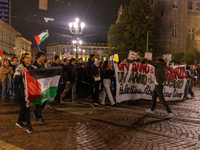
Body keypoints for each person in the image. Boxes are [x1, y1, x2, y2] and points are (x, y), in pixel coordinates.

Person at [14, 53, 34, 133]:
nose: (29, 59)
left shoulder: (31, 67)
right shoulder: (20, 67)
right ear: (23, 59)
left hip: (28, 91)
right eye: (27, 58)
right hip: (21, 92)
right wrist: (22, 74)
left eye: (29, 58)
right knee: (26, 108)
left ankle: (19, 121)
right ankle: (29, 127)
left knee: (24, 108)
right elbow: (15, 80)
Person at [31, 51, 46, 125]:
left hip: (43, 85)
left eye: (44, 57)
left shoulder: (44, 65)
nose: (44, 58)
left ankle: (35, 112)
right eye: (42, 56)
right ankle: (39, 117)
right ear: (38, 57)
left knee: (44, 100)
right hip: (36, 86)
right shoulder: (33, 66)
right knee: (39, 102)